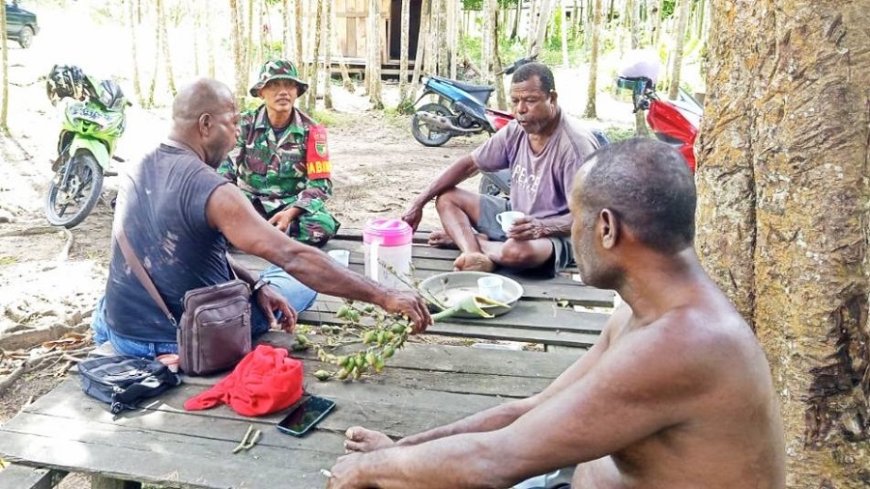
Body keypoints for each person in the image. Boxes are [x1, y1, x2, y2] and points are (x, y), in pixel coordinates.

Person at [326, 139, 786, 489]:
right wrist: (401, 451)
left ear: (606, 228)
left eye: (576, 218)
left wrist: (370, 468)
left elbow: (494, 462)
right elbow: (529, 410)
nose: (570, 231)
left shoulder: (683, 345)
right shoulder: (643, 312)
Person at [91, 78, 430, 358]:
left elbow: (181, 251)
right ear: (205, 125)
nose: (236, 134)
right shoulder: (213, 190)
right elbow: (293, 257)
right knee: (298, 278)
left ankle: (265, 280)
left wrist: (256, 285)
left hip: (120, 329)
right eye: (232, 123)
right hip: (183, 342)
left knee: (269, 276)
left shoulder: (135, 167)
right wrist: (385, 295)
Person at [402, 62, 600, 276]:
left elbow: (588, 217)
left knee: (516, 252)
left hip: (557, 234)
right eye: (515, 101)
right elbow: (469, 164)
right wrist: (418, 203)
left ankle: (474, 240)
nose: (520, 109)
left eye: (530, 100)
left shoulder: (575, 147)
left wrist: (541, 227)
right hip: (515, 216)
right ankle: (473, 255)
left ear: (551, 98)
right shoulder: (517, 129)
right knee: (447, 198)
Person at [217, 59, 339, 247]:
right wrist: (234, 201)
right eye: (274, 85)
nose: (283, 92)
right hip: (250, 203)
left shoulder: (313, 131)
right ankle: (274, 236)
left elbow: (320, 183)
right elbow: (222, 162)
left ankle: (257, 235)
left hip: (292, 205)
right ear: (261, 92)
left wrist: (291, 213)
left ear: (297, 92)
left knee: (321, 227)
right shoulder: (244, 124)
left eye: (289, 85)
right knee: (211, 222)